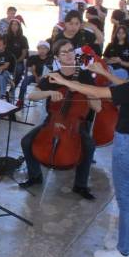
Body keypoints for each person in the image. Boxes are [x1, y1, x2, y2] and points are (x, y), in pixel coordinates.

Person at [46, 30, 129, 257]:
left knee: (126, 202)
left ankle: (123, 254)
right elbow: (126, 87)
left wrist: (65, 82)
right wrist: (105, 73)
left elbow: (97, 92)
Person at [19, 39, 102, 200]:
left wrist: (84, 89)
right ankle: (35, 176)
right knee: (26, 141)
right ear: (57, 57)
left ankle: (80, 185)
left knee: (89, 145)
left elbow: (97, 107)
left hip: (76, 125)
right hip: (52, 121)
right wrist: (49, 93)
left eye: (71, 50)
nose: (69, 54)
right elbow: (32, 95)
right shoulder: (53, 76)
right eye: (64, 52)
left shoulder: (84, 75)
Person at [17, 40, 53, 107]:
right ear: (38, 49)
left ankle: (48, 102)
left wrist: (42, 77)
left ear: (48, 50)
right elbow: (32, 69)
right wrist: (36, 77)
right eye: (40, 48)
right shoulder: (33, 58)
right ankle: (20, 100)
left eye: (44, 48)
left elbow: (51, 71)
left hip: (46, 77)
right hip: (35, 76)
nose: (42, 50)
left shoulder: (51, 59)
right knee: (25, 81)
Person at [5, 18, 29, 83]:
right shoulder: (5, 37)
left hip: (18, 61)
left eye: (16, 24)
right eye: (12, 24)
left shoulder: (23, 39)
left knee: (19, 69)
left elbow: (24, 54)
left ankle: (13, 87)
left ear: (19, 27)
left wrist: (16, 61)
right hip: (5, 61)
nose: (14, 26)